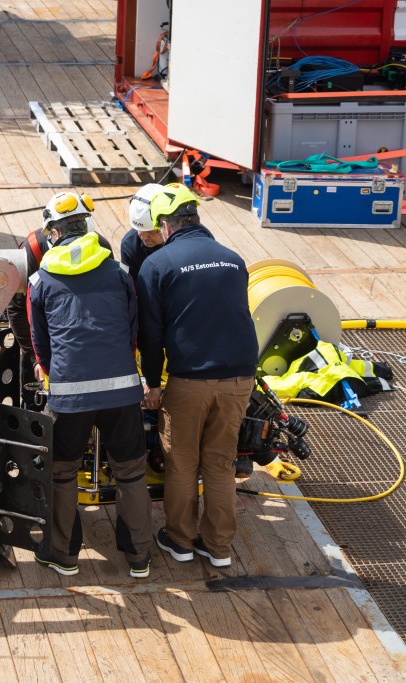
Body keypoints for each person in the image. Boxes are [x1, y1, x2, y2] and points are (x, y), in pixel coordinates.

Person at [28, 191, 155, 579]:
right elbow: (132, 329)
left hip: (70, 396)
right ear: (87, 227)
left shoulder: (40, 280)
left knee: (61, 473)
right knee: (131, 473)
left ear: (53, 233)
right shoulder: (119, 273)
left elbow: (41, 344)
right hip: (122, 391)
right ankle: (139, 558)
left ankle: (64, 556)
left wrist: (51, 371)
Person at [135, 183, 258, 569]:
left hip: (190, 380)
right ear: (196, 218)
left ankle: (181, 541)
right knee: (221, 464)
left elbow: (151, 334)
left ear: (164, 226)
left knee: (183, 463)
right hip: (240, 378)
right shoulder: (233, 260)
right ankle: (219, 548)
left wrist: (152, 382)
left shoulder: (157, 265)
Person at [5, 202, 114, 403]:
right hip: (42, 334)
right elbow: (18, 309)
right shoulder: (32, 251)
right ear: (52, 236)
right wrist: (34, 358)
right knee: (34, 400)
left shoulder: (101, 248)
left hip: (86, 336)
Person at [120, 183, 166, 283]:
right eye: (140, 230)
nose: (144, 237)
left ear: (166, 225)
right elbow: (130, 284)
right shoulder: (129, 246)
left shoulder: (185, 239)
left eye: (150, 231)